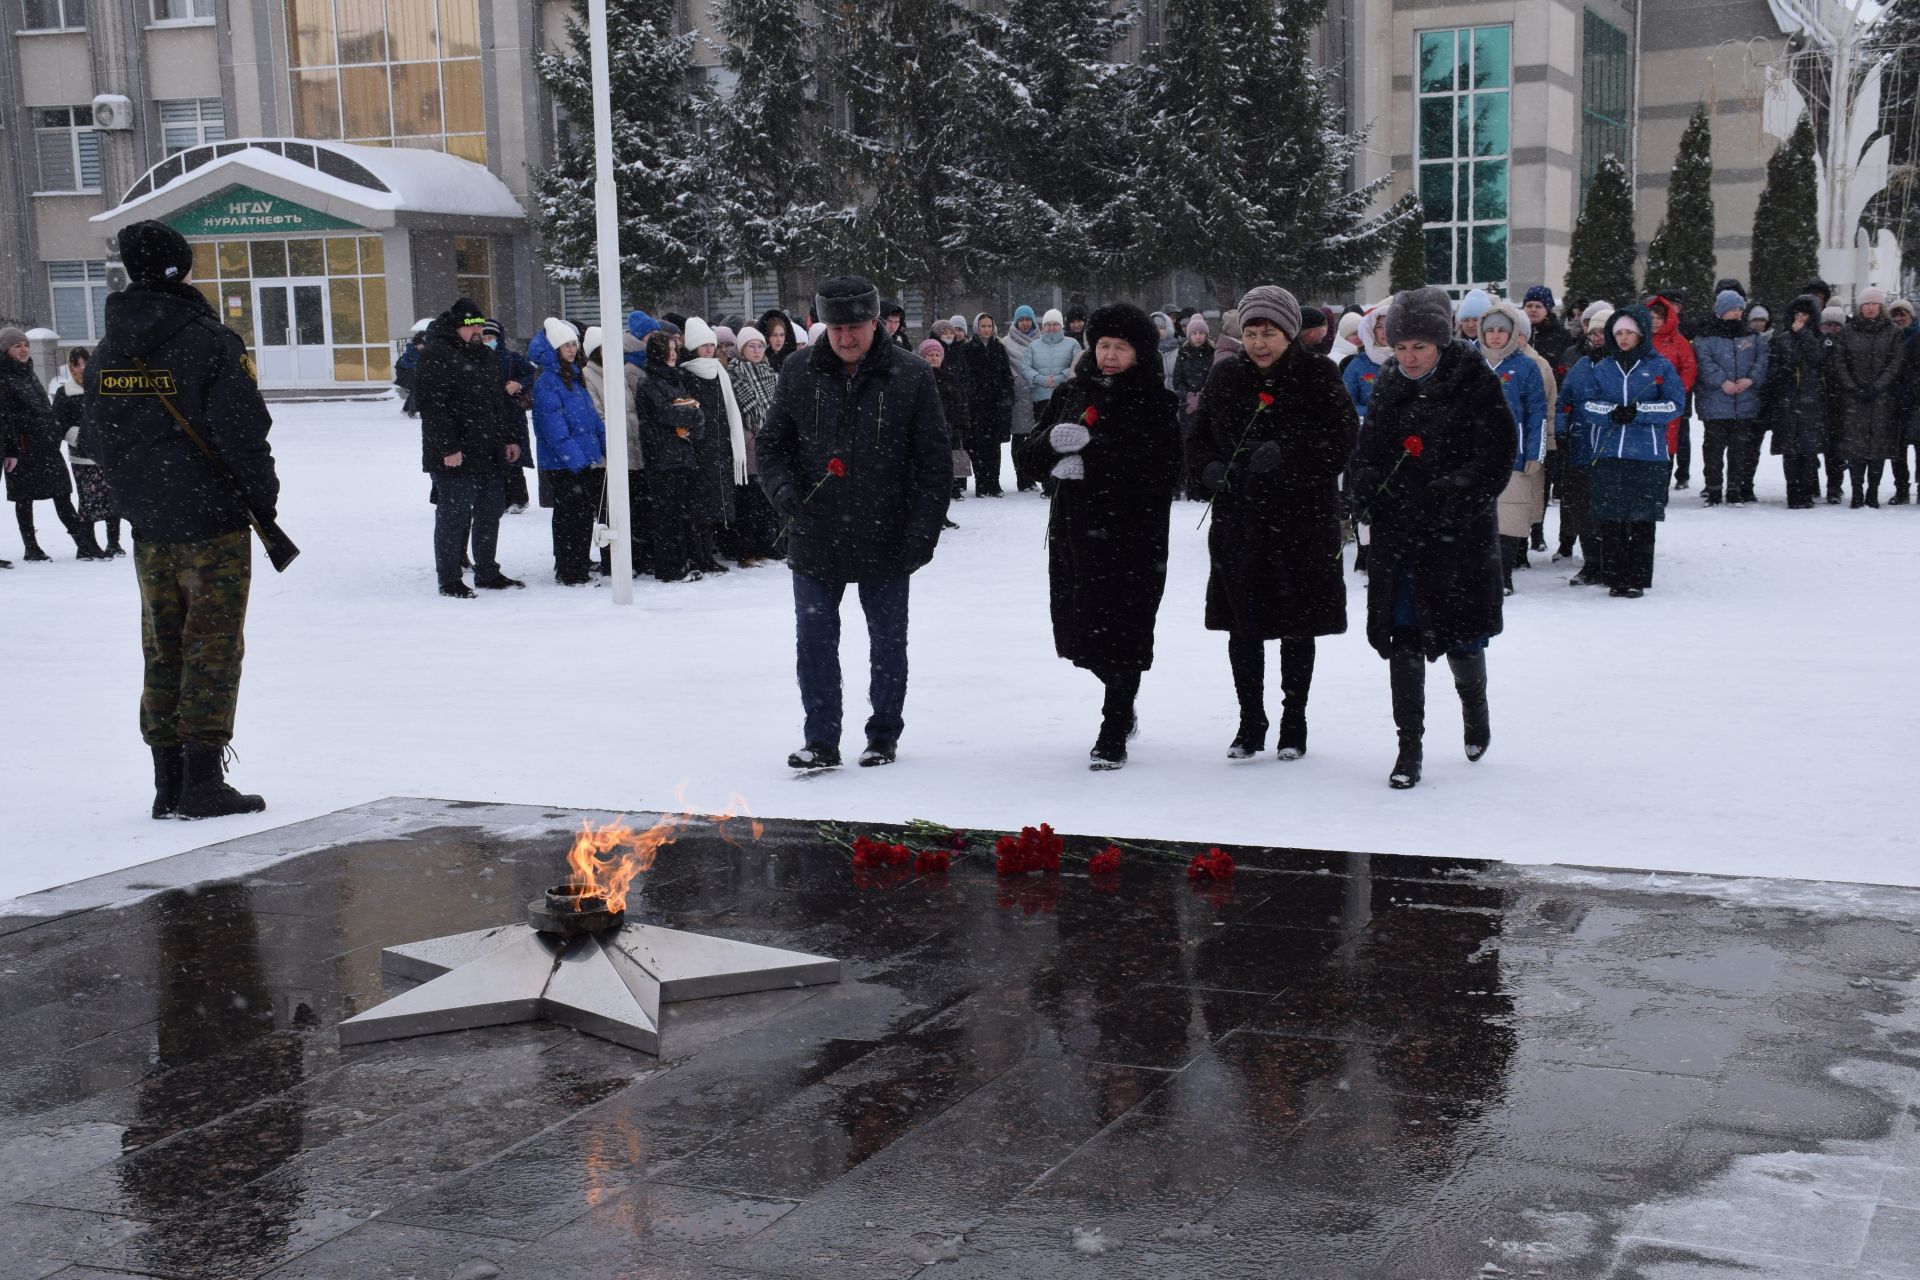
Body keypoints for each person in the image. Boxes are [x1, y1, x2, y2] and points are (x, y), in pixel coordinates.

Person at [78, 218, 279, 818]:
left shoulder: (109, 349)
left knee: (162, 643)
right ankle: (202, 780)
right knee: (211, 644)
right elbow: (246, 434)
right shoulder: (210, 342)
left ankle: (168, 779)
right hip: (210, 518)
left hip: (149, 520)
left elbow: (101, 438)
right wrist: (261, 499)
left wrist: (138, 499)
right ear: (179, 270)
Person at [757, 275, 952, 770]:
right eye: (836, 328)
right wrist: (783, 491)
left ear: (875, 324)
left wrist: (922, 530)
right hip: (816, 531)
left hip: (887, 532)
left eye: (856, 328)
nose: (846, 338)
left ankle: (883, 733)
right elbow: (772, 445)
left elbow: (933, 462)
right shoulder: (799, 370)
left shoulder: (910, 374)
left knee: (888, 641)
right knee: (815, 639)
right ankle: (821, 738)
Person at [1349, 287, 1512, 790]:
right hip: (1401, 538)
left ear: (1440, 342)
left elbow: (1496, 454)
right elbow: (1369, 449)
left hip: (1455, 536)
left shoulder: (1475, 384)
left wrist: (1454, 492)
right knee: (1405, 638)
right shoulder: (1389, 385)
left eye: (1418, 346)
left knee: (1463, 637)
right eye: (1399, 347)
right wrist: (1365, 487)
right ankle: (1409, 747)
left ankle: (1474, 709)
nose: (1409, 357)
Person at [1189, 286, 1357, 762]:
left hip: (1301, 524)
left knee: (1296, 626)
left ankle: (1294, 720)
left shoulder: (1318, 374)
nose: (1259, 343)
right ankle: (1250, 720)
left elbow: (1343, 438)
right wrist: (1207, 470)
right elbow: (1197, 440)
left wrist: (1290, 456)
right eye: (1251, 333)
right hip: (1241, 524)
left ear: (1288, 334)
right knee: (1243, 628)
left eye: (1269, 333)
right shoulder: (1225, 376)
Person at [1017, 304, 1181, 769]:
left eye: (1121, 348)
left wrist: (1094, 460)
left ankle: (1114, 724)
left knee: (1125, 630)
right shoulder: (1072, 392)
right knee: (1081, 635)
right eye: (1103, 345)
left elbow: (1165, 469)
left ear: (1139, 352)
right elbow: (1027, 457)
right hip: (1077, 536)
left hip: (1133, 537)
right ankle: (1120, 696)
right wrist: (1052, 448)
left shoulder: (1154, 400)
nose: (1109, 355)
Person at [1563, 306, 1679, 598]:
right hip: (1609, 452)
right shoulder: (1603, 368)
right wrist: (1612, 413)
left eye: (1629, 332)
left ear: (1641, 334)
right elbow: (1588, 404)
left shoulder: (1660, 366)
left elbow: (1674, 404)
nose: (1624, 338)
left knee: (1641, 519)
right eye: (1619, 333)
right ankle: (1615, 577)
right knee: (1611, 517)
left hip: (1648, 454)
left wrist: (1639, 411)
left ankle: (1637, 578)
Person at [417, 298, 525, 596]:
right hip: (454, 454)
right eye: (470, 326)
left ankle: (487, 570)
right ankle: (449, 579)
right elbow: (433, 408)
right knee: (454, 517)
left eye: (479, 325)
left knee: (491, 511)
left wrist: (509, 438)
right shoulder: (437, 354)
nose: (476, 330)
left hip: (489, 450)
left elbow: (498, 402)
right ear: (456, 327)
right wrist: (447, 448)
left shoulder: (485, 356)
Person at [2, 327, 101, 560]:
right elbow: (7, 414)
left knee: (62, 493)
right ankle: (31, 547)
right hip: (22, 446)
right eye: (17, 346)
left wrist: (50, 426)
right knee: (24, 499)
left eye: (25, 344)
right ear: (6, 350)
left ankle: (84, 543)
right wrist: (34, 426)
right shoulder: (4, 376)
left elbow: (42, 407)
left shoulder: (27, 371)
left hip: (45, 445)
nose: (24, 349)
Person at [528, 317, 606, 585]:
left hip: (582, 460)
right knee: (569, 518)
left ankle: (579, 561)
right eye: (565, 345)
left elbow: (592, 419)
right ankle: (570, 569)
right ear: (553, 349)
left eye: (574, 344)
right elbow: (553, 427)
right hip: (564, 464)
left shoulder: (574, 376)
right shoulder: (548, 381)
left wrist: (605, 445)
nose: (572, 349)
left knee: (583, 516)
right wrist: (576, 459)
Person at [1478, 302, 1547, 595]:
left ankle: (1503, 576)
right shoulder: (1470, 362)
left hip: (1513, 456)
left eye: (1501, 331)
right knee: (1477, 519)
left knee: (1509, 518)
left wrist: (1535, 453)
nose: (1495, 336)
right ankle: (1479, 575)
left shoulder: (1526, 366)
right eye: (1490, 330)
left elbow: (1537, 413)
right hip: (1473, 455)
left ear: (1513, 333)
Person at [582, 325, 651, 575]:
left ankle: (636, 558)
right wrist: (615, 443)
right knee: (610, 512)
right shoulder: (589, 376)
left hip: (631, 453)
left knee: (634, 510)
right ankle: (613, 563)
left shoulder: (618, 373)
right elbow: (597, 415)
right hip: (609, 457)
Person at [634, 328, 703, 581]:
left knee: (682, 513)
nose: (673, 356)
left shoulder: (675, 378)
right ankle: (669, 567)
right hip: (661, 456)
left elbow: (694, 411)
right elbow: (667, 413)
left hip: (682, 453)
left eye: (675, 351)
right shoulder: (649, 381)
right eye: (669, 351)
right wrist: (690, 412)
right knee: (666, 514)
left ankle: (683, 561)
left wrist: (690, 415)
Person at [1692, 288, 1771, 506]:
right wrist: (1721, 381)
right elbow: (1704, 363)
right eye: (1732, 309)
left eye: (1739, 309)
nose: (1736, 313)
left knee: (1740, 450)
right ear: (1721, 310)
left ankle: (1735, 490)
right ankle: (1714, 490)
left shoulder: (1751, 337)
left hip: (1744, 403)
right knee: (1714, 449)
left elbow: (1762, 360)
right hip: (1715, 403)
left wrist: (1750, 380)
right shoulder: (1706, 337)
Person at [680, 317, 745, 570]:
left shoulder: (719, 372)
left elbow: (728, 409)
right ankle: (700, 555)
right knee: (700, 506)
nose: (708, 349)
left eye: (711, 344)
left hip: (720, 445)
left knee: (715, 505)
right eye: (703, 345)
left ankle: (708, 553)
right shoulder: (687, 374)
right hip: (700, 447)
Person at [1555, 306, 1612, 582]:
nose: (1598, 337)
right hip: (1581, 446)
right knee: (1581, 506)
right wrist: (1562, 431)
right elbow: (1564, 401)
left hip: (1612, 447)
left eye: (1603, 332)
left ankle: (1610, 561)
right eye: (1593, 332)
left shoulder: (1620, 365)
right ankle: (1591, 562)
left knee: (1609, 508)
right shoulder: (1581, 365)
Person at [1834, 287, 1905, 507]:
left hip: (1882, 399)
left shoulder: (1892, 332)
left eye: (1874, 304)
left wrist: (1878, 387)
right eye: (1866, 304)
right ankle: (1856, 491)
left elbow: (1895, 363)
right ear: (1860, 307)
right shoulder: (1848, 331)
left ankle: (1872, 491)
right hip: (1854, 398)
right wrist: (1852, 387)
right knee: (1855, 448)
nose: (1870, 308)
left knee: (1877, 448)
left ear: (1880, 306)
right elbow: (1840, 361)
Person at [54, 346, 123, 557]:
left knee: (113, 500)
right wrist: (80, 437)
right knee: (88, 502)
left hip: (105, 454)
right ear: (70, 366)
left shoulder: (102, 387)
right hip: (81, 457)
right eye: (76, 364)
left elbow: (115, 414)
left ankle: (114, 543)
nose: (81, 368)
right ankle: (88, 546)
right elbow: (59, 423)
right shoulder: (64, 392)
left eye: (85, 362)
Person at [1768, 296, 1829, 510]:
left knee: (1808, 451)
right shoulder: (1782, 338)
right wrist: (1783, 372)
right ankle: (1792, 493)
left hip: (1811, 402)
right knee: (1790, 451)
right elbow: (1773, 369)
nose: (1800, 318)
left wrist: (1802, 334)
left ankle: (1807, 491)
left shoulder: (1818, 338)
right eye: (1797, 314)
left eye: (1804, 314)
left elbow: (1819, 359)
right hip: (1787, 401)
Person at [729, 326, 783, 561]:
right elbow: (751, 412)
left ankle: (768, 543)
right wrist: (769, 422)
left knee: (767, 499)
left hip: (770, 443)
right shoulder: (736, 373)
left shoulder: (771, 374)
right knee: (749, 499)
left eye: (760, 345)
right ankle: (749, 547)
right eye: (751, 346)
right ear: (742, 349)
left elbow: (780, 408)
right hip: (750, 443)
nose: (757, 350)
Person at [481, 319, 536, 513]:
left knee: (513, 456)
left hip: (511, 414)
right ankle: (500, 498)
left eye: (491, 337)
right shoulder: (477, 359)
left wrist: (518, 384)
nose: (487, 341)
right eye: (484, 337)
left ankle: (519, 498)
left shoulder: (511, 358)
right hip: (488, 415)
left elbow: (532, 374)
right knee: (495, 456)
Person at [1646, 294, 1698, 490]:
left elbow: (1688, 367)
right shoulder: (1639, 339)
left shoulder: (1678, 341)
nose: (1656, 322)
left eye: (1659, 317)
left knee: (1668, 440)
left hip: (1668, 400)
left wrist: (1676, 390)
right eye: (1651, 318)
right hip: (1643, 397)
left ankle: (1662, 484)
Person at [919, 338, 971, 520]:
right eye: (929, 355)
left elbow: (960, 403)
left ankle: (943, 514)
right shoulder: (919, 379)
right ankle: (932, 516)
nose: (933, 358)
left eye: (936, 355)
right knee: (930, 479)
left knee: (946, 477)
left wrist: (961, 425)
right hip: (927, 435)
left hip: (950, 433)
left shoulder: (950, 376)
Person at [964, 313, 1014, 495]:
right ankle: (981, 483)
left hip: (995, 406)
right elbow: (965, 377)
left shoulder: (998, 348)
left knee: (994, 447)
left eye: (989, 326)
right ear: (977, 327)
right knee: (977, 447)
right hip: (976, 406)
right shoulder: (968, 349)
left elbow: (1006, 375)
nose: (986, 329)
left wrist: (1006, 397)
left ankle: (994, 482)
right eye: (983, 326)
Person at [1006, 305, 1041, 490]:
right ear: (1016, 321)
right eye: (1022, 320)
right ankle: (1021, 477)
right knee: (1019, 438)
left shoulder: (1042, 341)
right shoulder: (1006, 343)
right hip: (1018, 397)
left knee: (1036, 438)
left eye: (1028, 319)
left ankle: (1033, 476)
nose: (1025, 323)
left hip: (1038, 395)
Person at [1821, 304, 1849, 502]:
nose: (1831, 329)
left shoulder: (1848, 345)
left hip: (1841, 402)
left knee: (1836, 450)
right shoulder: (1817, 343)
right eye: (1827, 325)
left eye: (1836, 325)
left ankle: (1834, 487)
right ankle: (1811, 485)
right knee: (1813, 449)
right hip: (1818, 401)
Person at [1524, 287, 1568, 376]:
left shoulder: (1562, 335)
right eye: (1529, 306)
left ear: (1547, 310)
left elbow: (1565, 368)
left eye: (1538, 306)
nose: (1533, 309)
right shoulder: (1515, 332)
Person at [394, 320, 429, 417]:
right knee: (416, 389)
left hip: (415, 374)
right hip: (407, 375)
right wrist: (415, 365)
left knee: (415, 390)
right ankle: (412, 411)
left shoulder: (423, 351)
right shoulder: (410, 350)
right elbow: (403, 363)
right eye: (421, 344)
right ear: (417, 343)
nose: (422, 346)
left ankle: (405, 410)